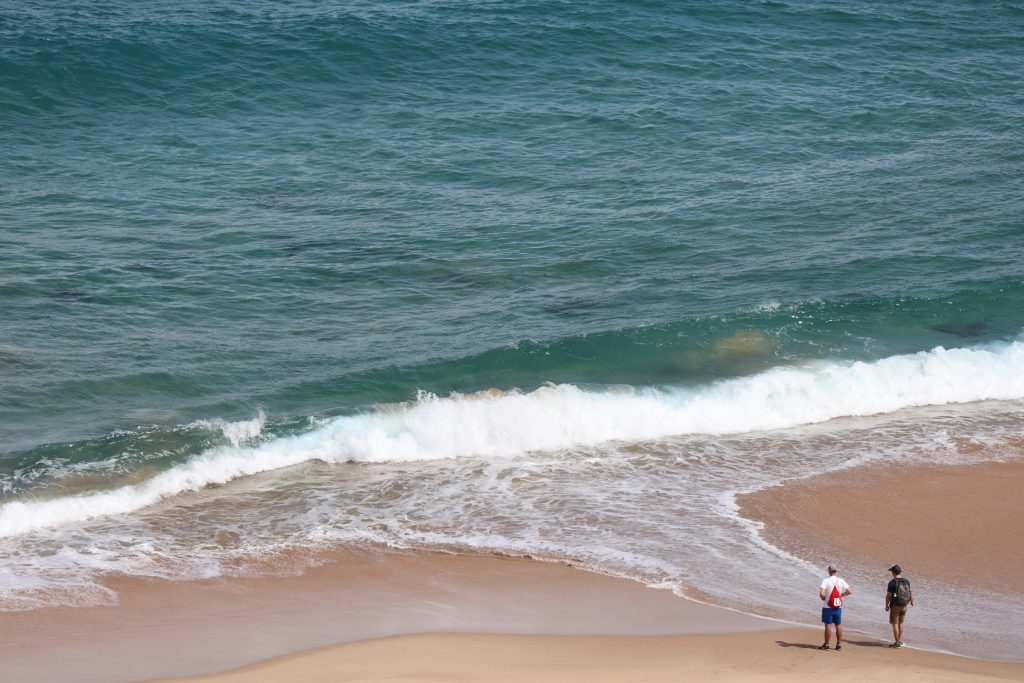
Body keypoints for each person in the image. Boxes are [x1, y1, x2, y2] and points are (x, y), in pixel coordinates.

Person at [818, 564, 852, 650]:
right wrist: (841, 595)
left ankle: (827, 645)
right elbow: (849, 591)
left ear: (829, 571)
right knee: (838, 625)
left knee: (828, 625)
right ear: (836, 571)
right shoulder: (841, 580)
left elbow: (821, 593)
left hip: (827, 607)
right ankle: (839, 645)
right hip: (838, 606)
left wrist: (824, 598)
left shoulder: (825, 580)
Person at [885, 564, 914, 648]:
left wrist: (886, 605)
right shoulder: (906, 581)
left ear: (893, 572)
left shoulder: (892, 583)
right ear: (900, 571)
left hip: (895, 605)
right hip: (904, 604)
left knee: (895, 624)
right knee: (901, 623)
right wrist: (912, 601)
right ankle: (899, 641)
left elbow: (888, 596)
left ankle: (897, 643)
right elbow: (910, 592)